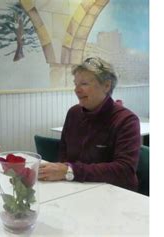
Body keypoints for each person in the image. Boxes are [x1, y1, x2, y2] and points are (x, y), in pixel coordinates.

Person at [38, 57, 141, 191]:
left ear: (106, 86)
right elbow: (64, 155)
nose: (77, 90)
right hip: (78, 188)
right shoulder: (74, 113)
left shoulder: (127, 120)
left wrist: (69, 171)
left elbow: (124, 170)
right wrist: (65, 173)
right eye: (76, 84)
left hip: (116, 194)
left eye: (84, 84)